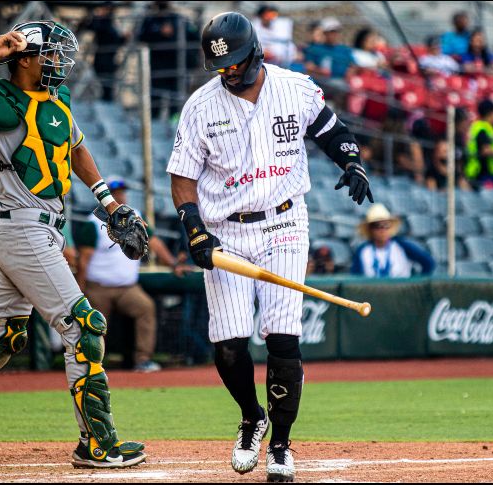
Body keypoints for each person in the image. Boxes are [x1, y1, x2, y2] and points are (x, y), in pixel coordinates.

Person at [0, 20, 147, 469]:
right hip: (23, 229)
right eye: (51, 54)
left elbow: (76, 149)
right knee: (84, 327)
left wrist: (109, 203)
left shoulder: (57, 101)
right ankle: (98, 443)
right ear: (23, 58)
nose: (59, 62)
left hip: (42, 231)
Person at [168, 12, 373, 482]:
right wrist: (193, 226)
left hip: (284, 221)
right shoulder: (201, 106)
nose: (229, 72)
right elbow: (182, 177)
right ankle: (251, 417)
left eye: (236, 63)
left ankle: (280, 445)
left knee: (282, 337)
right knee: (230, 343)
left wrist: (353, 163)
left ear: (256, 51)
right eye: (221, 65)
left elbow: (331, 131)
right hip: (227, 230)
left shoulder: (294, 87)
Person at [75, 179, 190, 373]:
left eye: (122, 191)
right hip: (98, 287)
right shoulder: (93, 223)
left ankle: (143, 359)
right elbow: (84, 260)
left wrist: (173, 264)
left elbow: (153, 241)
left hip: (127, 287)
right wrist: (80, 289)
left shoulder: (134, 216)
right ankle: (89, 365)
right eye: (114, 192)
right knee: (95, 324)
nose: (119, 196)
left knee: (146, 308)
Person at [137, 1, 200, 118]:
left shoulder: (179, 19)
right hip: (157, 67)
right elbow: (141, 37)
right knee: (155, 99)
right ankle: (153, 122)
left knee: (175, 102)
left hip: (176, 66)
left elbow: (195, 37)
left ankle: (174, 125)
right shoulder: (150, 20)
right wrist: (159, 33)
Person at [351, 203, 435, 277]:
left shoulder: (403, 246)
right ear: (370, 230)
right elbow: (355, 277)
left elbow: (428, 263)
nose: (382, 229)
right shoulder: (362, 251)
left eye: (386, 225)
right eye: (377, 226)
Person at [84, 2, 127, 101]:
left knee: (108, 88)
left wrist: (124, 38)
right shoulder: (102, 22)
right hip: (102, 59)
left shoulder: (110, 23)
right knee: (104, 86)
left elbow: (115, 41)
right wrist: (96, 15)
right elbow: (92, 27)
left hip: (109, 59)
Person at [465, 99, 493, 188]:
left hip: (485, 174)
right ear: (490, 113)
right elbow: (485, 150)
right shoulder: (483, 128)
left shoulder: (484, 128)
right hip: (482, 174)